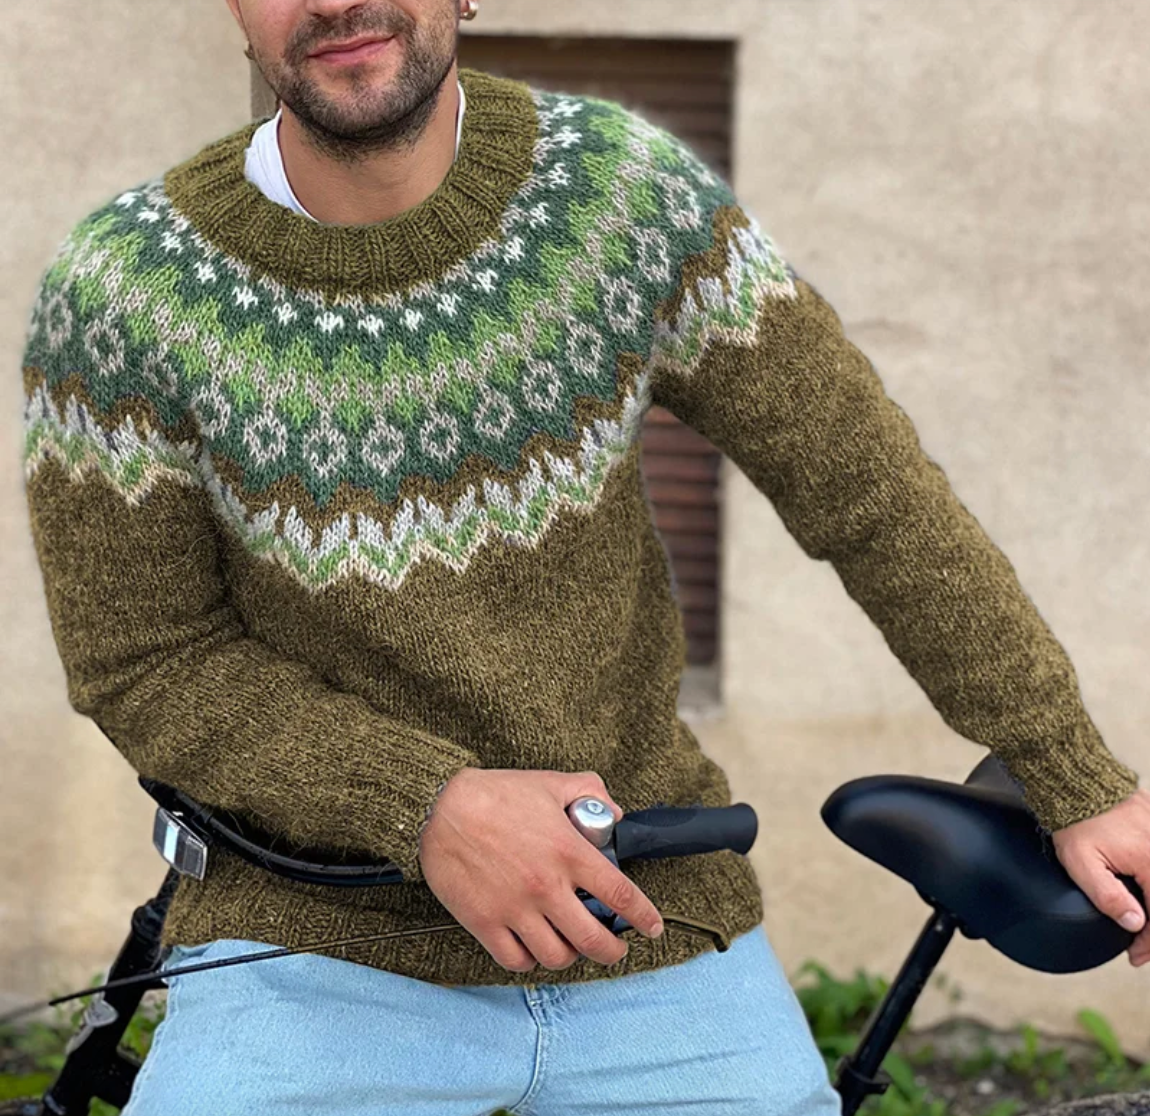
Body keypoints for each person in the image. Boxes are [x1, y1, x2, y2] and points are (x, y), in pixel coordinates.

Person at [19, 1, 1149, 1113]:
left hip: (652, 921)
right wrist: (428, 807)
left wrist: (1071, 775)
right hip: (310, 952)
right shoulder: (125, 293)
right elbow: (147, 659)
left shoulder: (621, 197)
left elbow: (870, 495)